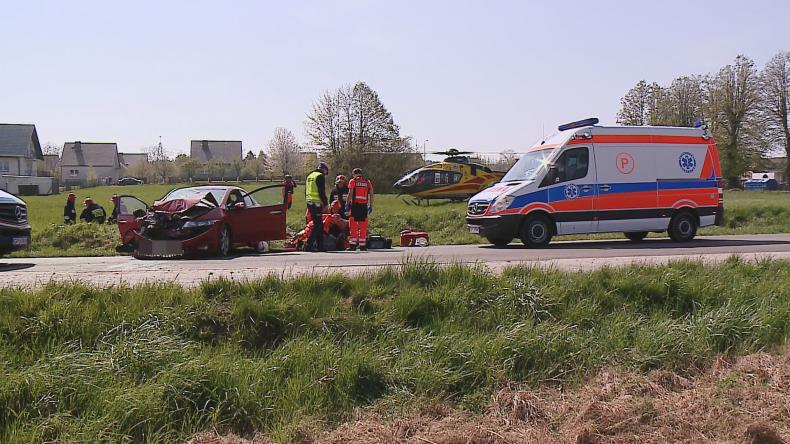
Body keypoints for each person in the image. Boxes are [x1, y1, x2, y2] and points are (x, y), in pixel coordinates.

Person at [346, 168, 374, 251]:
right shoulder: (367, 182)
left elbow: (350, 193)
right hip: (364, 206)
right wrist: (371, 205)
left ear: (354, 174)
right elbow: (371, 193)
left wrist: (347, 203)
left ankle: (353, 245)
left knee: (353, 226)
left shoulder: (353, 181)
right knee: (363, 226)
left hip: (355, 205)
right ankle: (362, 245)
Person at [305, 162, 329, 252]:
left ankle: (319, 246)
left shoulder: (310, 175)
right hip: (316, 203)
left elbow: (306, 190)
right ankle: (309, 244)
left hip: (310, 202)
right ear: (324, 169)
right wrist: (326, 204)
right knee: (318, 224)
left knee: (318, 224)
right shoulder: (320, 176)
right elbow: (321, 191)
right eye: (326, 171)